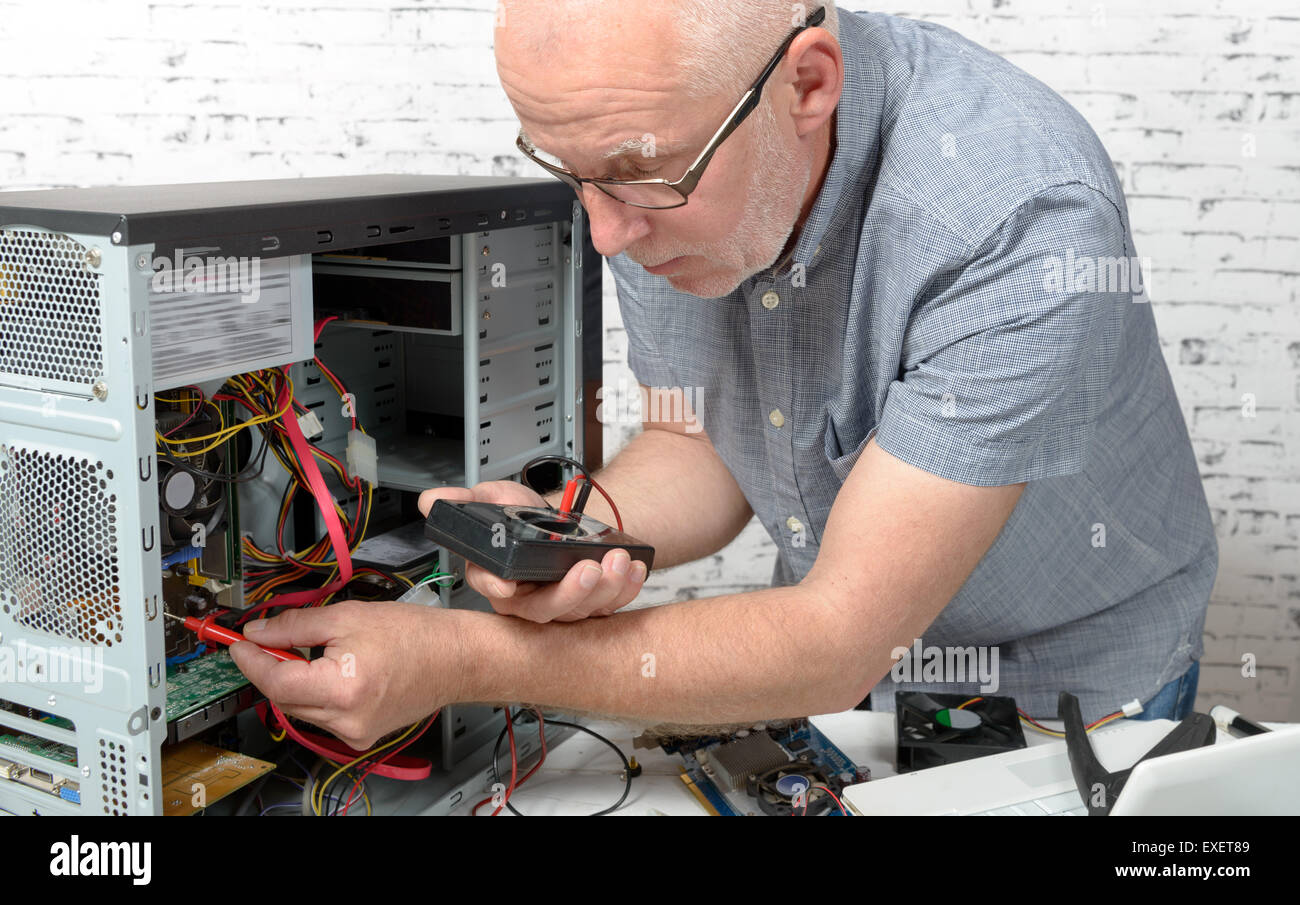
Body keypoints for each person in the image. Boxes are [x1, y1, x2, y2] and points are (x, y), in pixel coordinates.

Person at [230, 1, 1217, 750]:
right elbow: (691, 438)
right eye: (571, 173)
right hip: (843, 676)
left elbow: (838, 636)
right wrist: (579, 524)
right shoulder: (653, 159)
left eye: (639, 173)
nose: (606, 230)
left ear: (807, 84)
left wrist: (464, 659)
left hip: (1071, 681)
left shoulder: (1018, 223)